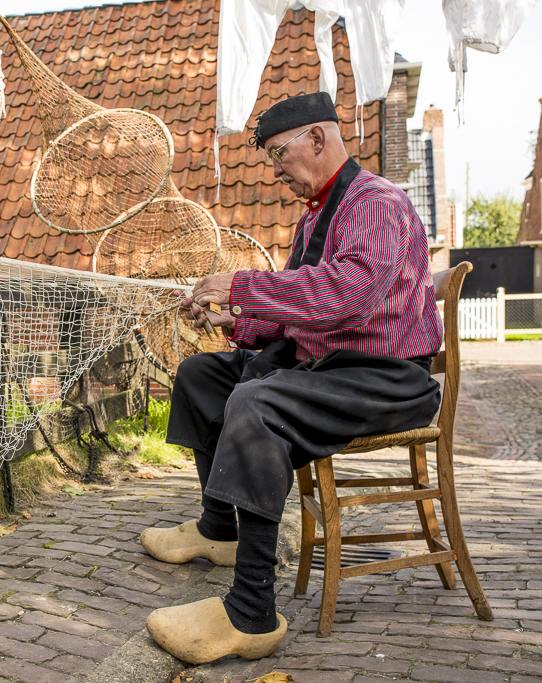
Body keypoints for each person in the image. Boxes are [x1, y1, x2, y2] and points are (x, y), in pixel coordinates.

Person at [140, 92, 443, 664]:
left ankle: (251, 611)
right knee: (203, 375)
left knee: (258, 404)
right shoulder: (313, 220)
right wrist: (236, 319)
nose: (277, 170)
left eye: (281, 154)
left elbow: (346, 296)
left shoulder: (377, 203)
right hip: (328, 367)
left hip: (388, 378)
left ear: (319, 140)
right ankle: (218, 530)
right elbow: (298, 311)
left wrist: (239, 286)